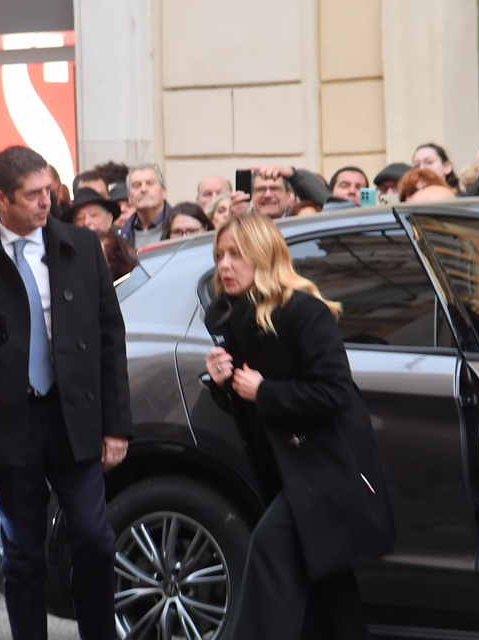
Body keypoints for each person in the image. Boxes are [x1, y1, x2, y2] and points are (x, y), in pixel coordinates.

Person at [202, 213, 394, 639]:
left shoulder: (303, 312)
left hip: (327, 468)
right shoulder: (230, 317)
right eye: (219, 255)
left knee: (271, 551)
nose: (224, 265)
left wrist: (265, 391)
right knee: (327, 591)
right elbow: (244, 401)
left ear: (264, 256)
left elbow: (335, 391)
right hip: (285, 470)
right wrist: (222, 384)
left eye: (236, 254)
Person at [0, 145, 132, 640]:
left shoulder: (80, 245)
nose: (46, 202)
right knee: (23, 551)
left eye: (48, 190)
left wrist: (116, 426)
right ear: (0, 199)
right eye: (31, 195)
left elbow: (109, 337)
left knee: (95, 538)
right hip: (10, 419)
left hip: (72, 415)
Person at [119, 163, 172, 249]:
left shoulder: (180, 228)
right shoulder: (121, 237)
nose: (143, 189)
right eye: (136, 185)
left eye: (150, 183)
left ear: (164, 192)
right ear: (129, 197)